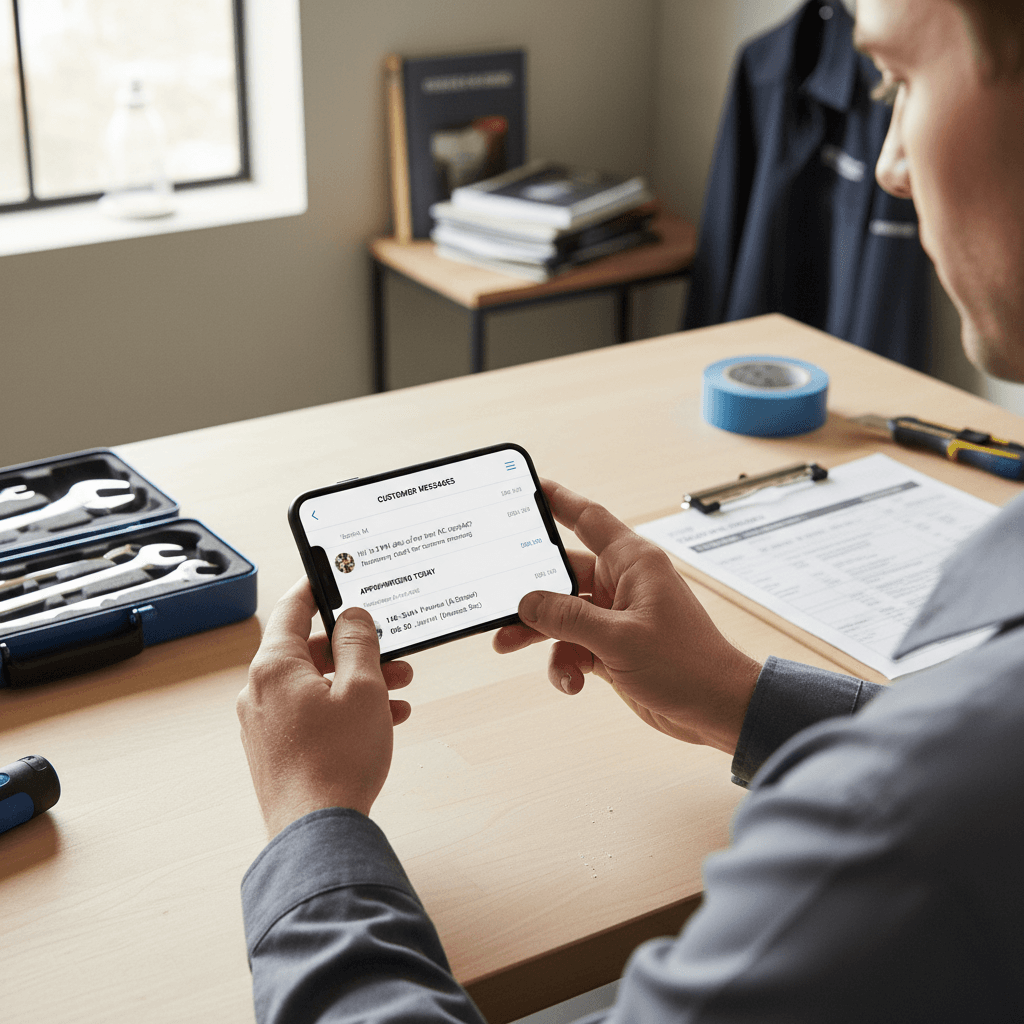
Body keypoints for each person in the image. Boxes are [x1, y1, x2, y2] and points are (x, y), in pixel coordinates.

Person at [236, 0, 1024, 1020]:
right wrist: (736, 695)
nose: (887, 166)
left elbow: (950, 790)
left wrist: (311, 823)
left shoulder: (916, 825)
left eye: (901, 80)